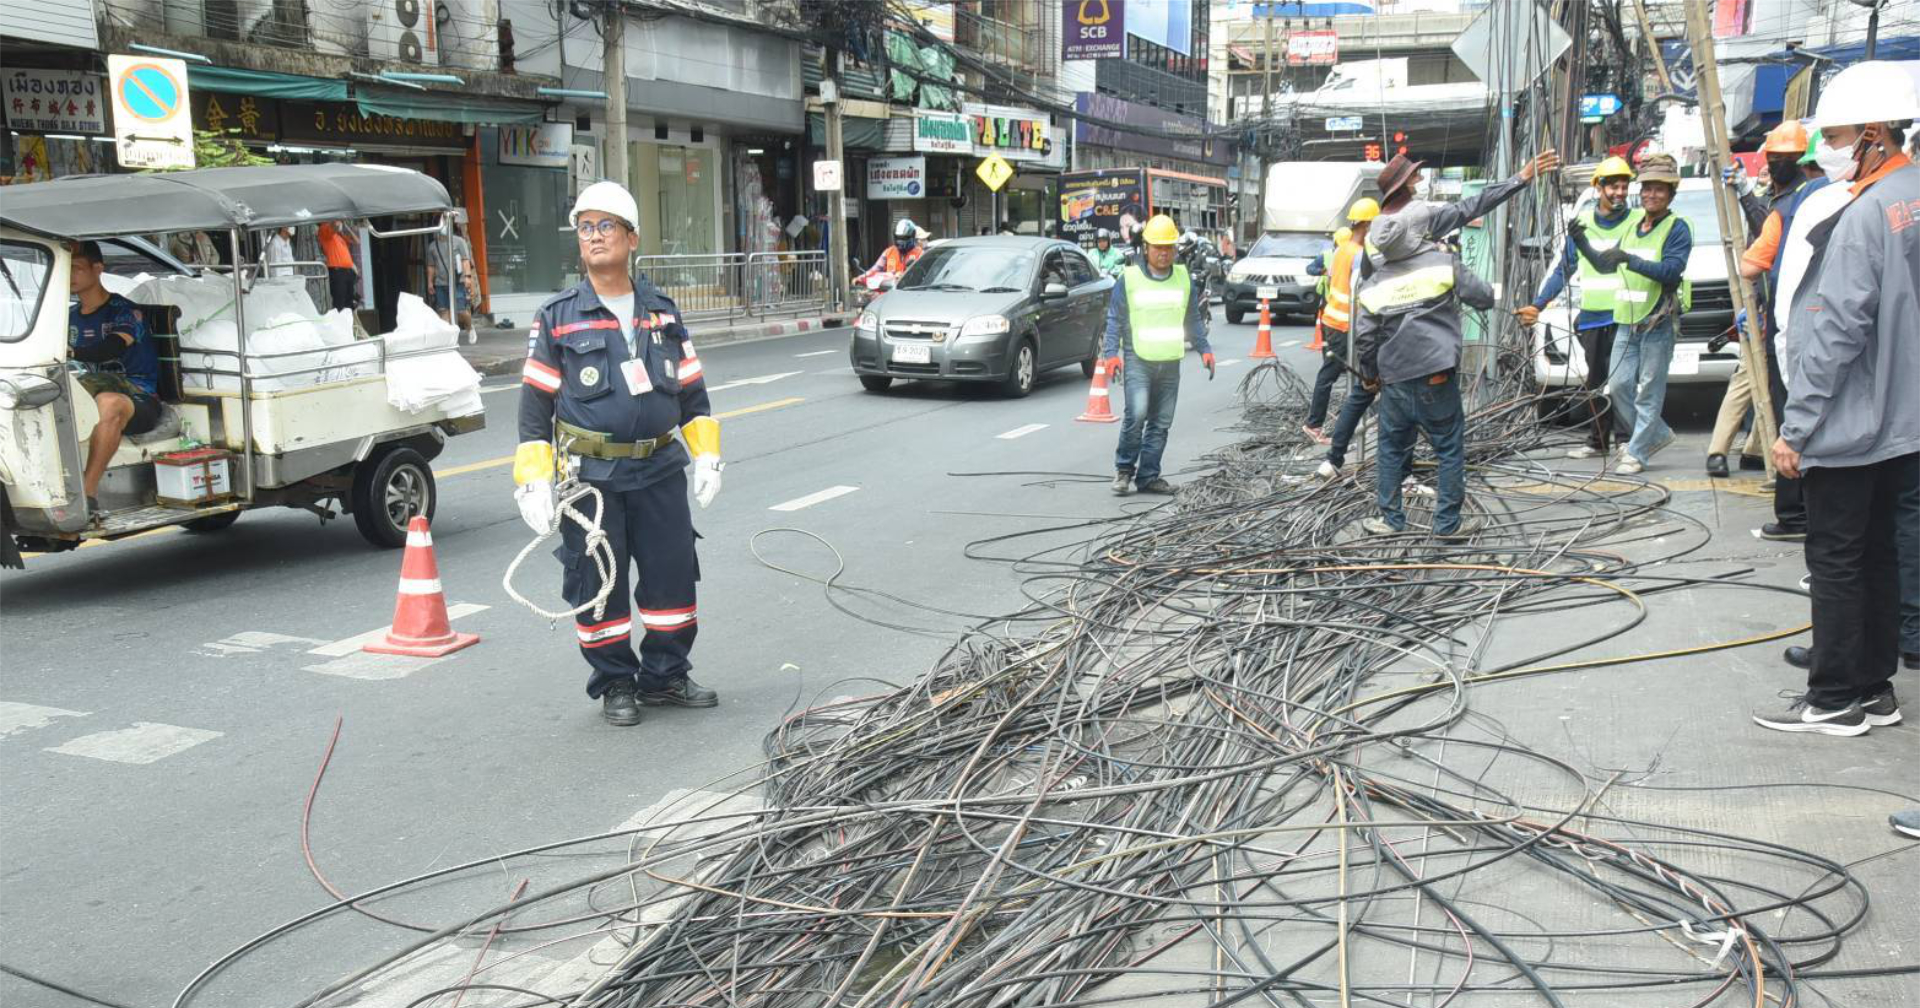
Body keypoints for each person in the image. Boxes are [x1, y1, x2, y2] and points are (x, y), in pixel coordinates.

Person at [512, 181, 725, 727]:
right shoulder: (558, 316)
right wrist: (533, 480)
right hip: (593, 479)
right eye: (586, 228)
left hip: (659, 468)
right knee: (597, 584)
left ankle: (666, 676)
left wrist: (706, 456)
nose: (595, 236)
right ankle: (614, 684)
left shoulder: (662, 311)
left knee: (672, 578)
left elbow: (693, 395)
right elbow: (535, 409)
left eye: (607, 225)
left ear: (633, 238)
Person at [1754, 61, 1916, 741]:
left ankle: (1835, 698)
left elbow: (1835, 330)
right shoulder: (1911, 195)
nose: (1831, 148)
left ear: (1874, 135)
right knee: (1879, 554)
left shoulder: (1866, 215)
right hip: (1905, 422)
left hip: (1852, 423)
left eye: (1840, 134)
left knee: (1838, 561)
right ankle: (1876, 688)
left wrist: (1797, 427)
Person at [1316, 146, 1560, 481]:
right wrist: (1520, 179)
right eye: (1415, 174)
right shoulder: (1419, 220)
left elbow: (1372, 287)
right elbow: (1470, 208)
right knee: (1433, 429)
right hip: (1414, 336)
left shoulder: (1380, 232)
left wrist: (1371, 359)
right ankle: (1409, 483)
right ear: (1406, 185)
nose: (1419, 178)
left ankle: (1340, 462)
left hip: (1382, 333)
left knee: (1377, 401)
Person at [1349, 204, 1496, 538]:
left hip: (1394, 379)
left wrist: (1370, 375)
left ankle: (1390, 520)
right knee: (1448, 447)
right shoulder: (1443, 264)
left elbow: (1365, 338)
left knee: (1390, 447)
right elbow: (1484, 297)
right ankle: (1447, 524)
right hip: (1436, 374)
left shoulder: (1373, 285)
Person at [1706, 122, 1819, 479]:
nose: (1775, 163)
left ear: (1801, 161)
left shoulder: (1799, 200)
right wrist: (1750, 304)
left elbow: (1767, 240)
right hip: (1766, 309)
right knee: (1753, 381)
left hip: (1789, 314)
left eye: (1783, 158)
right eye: (1772, 157)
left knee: (1778, 389)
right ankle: (1727, 450)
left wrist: (1744, 193)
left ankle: (1767, 456)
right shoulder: (1775, 195)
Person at [1570, 152, 1691, 475]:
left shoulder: (1677, 228)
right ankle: (1657, 434)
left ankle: (1637, 452)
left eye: (1660, 190)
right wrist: (1581, 241)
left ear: (1670, 194)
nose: (1651, 194)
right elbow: (1604, 264)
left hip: (1657, 322)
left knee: (1649, 389)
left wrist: (1631, 260)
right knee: (1620, 385)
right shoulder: (1632, 226)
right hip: (1626, 319)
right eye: (1648, 188)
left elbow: (1672, 271)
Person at [1517, 156, 1638, 460]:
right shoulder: (1582, 229)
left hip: (1626, 316)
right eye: (1614, 186)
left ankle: (1627, 440)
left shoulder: (1636, 224)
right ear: (1599, 188)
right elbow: (1563, 270)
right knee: (1597, 382)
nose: (1620, 192)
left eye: (1624, 186)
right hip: (1594, 318)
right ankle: (1598, 441)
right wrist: (1538, 304)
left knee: (1623, 381)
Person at [1102, 214, 1213, 496]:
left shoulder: (1183, 278)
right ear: (1146, 248)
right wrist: (1111, 354)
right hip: (1139, 359)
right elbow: (1114, 319)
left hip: (1170, 361)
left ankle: (1149, 476)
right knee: (1136, 415)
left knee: (1161, 423)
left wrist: (1205, 349)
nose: (1163, 253)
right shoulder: (1128, 279)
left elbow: (1192, 319)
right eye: (1158, 247)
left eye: (1168, 247)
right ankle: (1124, 470)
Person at [67, 241, 162, 515]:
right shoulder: (68, 316)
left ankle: (87, 496)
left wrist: (72, 350)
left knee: (108, 402)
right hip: (91, 391)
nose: (70, 276)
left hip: (137, 396)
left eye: (76, 268)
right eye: (66, 269)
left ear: (98, 269)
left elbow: (112, 348)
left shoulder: (126, 311)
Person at [1302, 199, 1378, 444]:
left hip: (1333, 320)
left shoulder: (1340, 250)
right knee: (1338, 374)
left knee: (1353, 374)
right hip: (1346, 324)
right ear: (1366, 225)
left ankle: (1365, 421)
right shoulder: (1358, 255)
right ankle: (1314, 424)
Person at [428, 215, 477, 342]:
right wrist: (430, 282)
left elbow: (465, 260)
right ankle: (449, 340)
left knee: (461, 311)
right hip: (440, 283)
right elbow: (431, 266)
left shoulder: (459, 241)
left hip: (457, 281)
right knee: (443, 311)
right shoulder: (433, 246)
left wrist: (467, 277)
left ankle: (470, 328)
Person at [856, 219, 922, 287]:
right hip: (888, 292)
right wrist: (860, 278)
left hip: (909, 291)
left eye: (904, 238)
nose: (900, 241)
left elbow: (922, 277)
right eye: (898, 237)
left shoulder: (920, 254)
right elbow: (875, 269)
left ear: (912, 236)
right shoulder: (889, 252)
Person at [319, 219, 360, 312]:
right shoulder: (323, 228)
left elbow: (357, 241)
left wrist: (345, 225)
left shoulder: (339, 236)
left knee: (349, 303)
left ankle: (347, 324)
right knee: (339, 303)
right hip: (337, 272)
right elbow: (335, 226)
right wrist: (337, 220)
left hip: (347, 271)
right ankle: (340, 324)